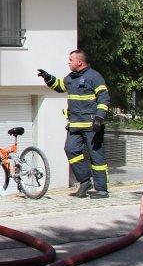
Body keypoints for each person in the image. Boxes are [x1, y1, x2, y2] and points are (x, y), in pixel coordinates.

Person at [38, 49, 110, 198]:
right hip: (75, 125)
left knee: (96, 157)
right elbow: (59, 86)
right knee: (70, 149)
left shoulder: (94, 77)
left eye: (71, 60)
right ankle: (85, 182)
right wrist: (48, 78)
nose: (68, 62)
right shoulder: (71, 78)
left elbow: (104, 98)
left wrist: (99, 117)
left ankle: (102, 189)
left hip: (92, 126)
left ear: (79, 62)